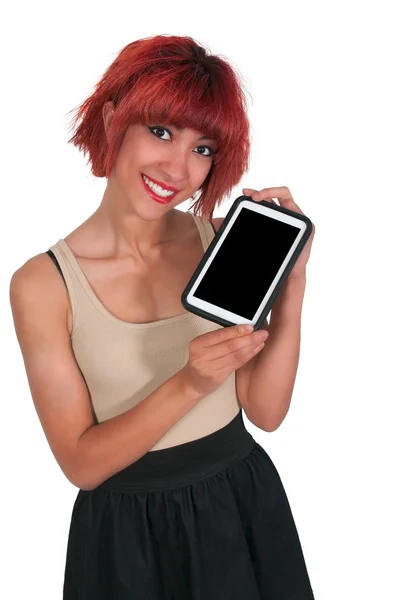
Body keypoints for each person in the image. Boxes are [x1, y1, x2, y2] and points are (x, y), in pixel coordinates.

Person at [9, 34, 315, 599]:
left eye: (203, 149)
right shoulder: (44, 284)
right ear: (110, 122)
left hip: (240, 505)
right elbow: (81, 464)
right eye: (161, 131)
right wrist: (191, 382)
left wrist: (290, 282)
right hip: (127, 540)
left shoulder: (218, 244)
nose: (178, 167)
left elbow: (266, 413)